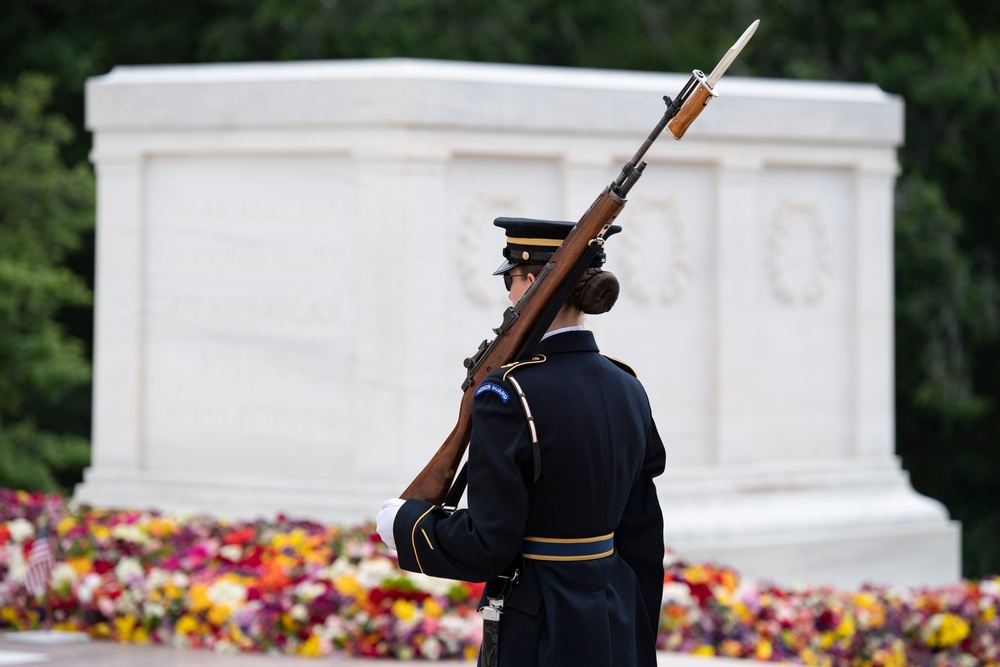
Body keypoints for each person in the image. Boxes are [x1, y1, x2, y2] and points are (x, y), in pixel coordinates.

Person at [377, 217, 665, 666]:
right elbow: (642, 535)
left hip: (540, 629)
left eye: (510, 281)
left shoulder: (508, 394)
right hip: (615, 620)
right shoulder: (628, 386)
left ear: (530, 282)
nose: (508, 298)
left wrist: (406, 524)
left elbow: (489, 544)